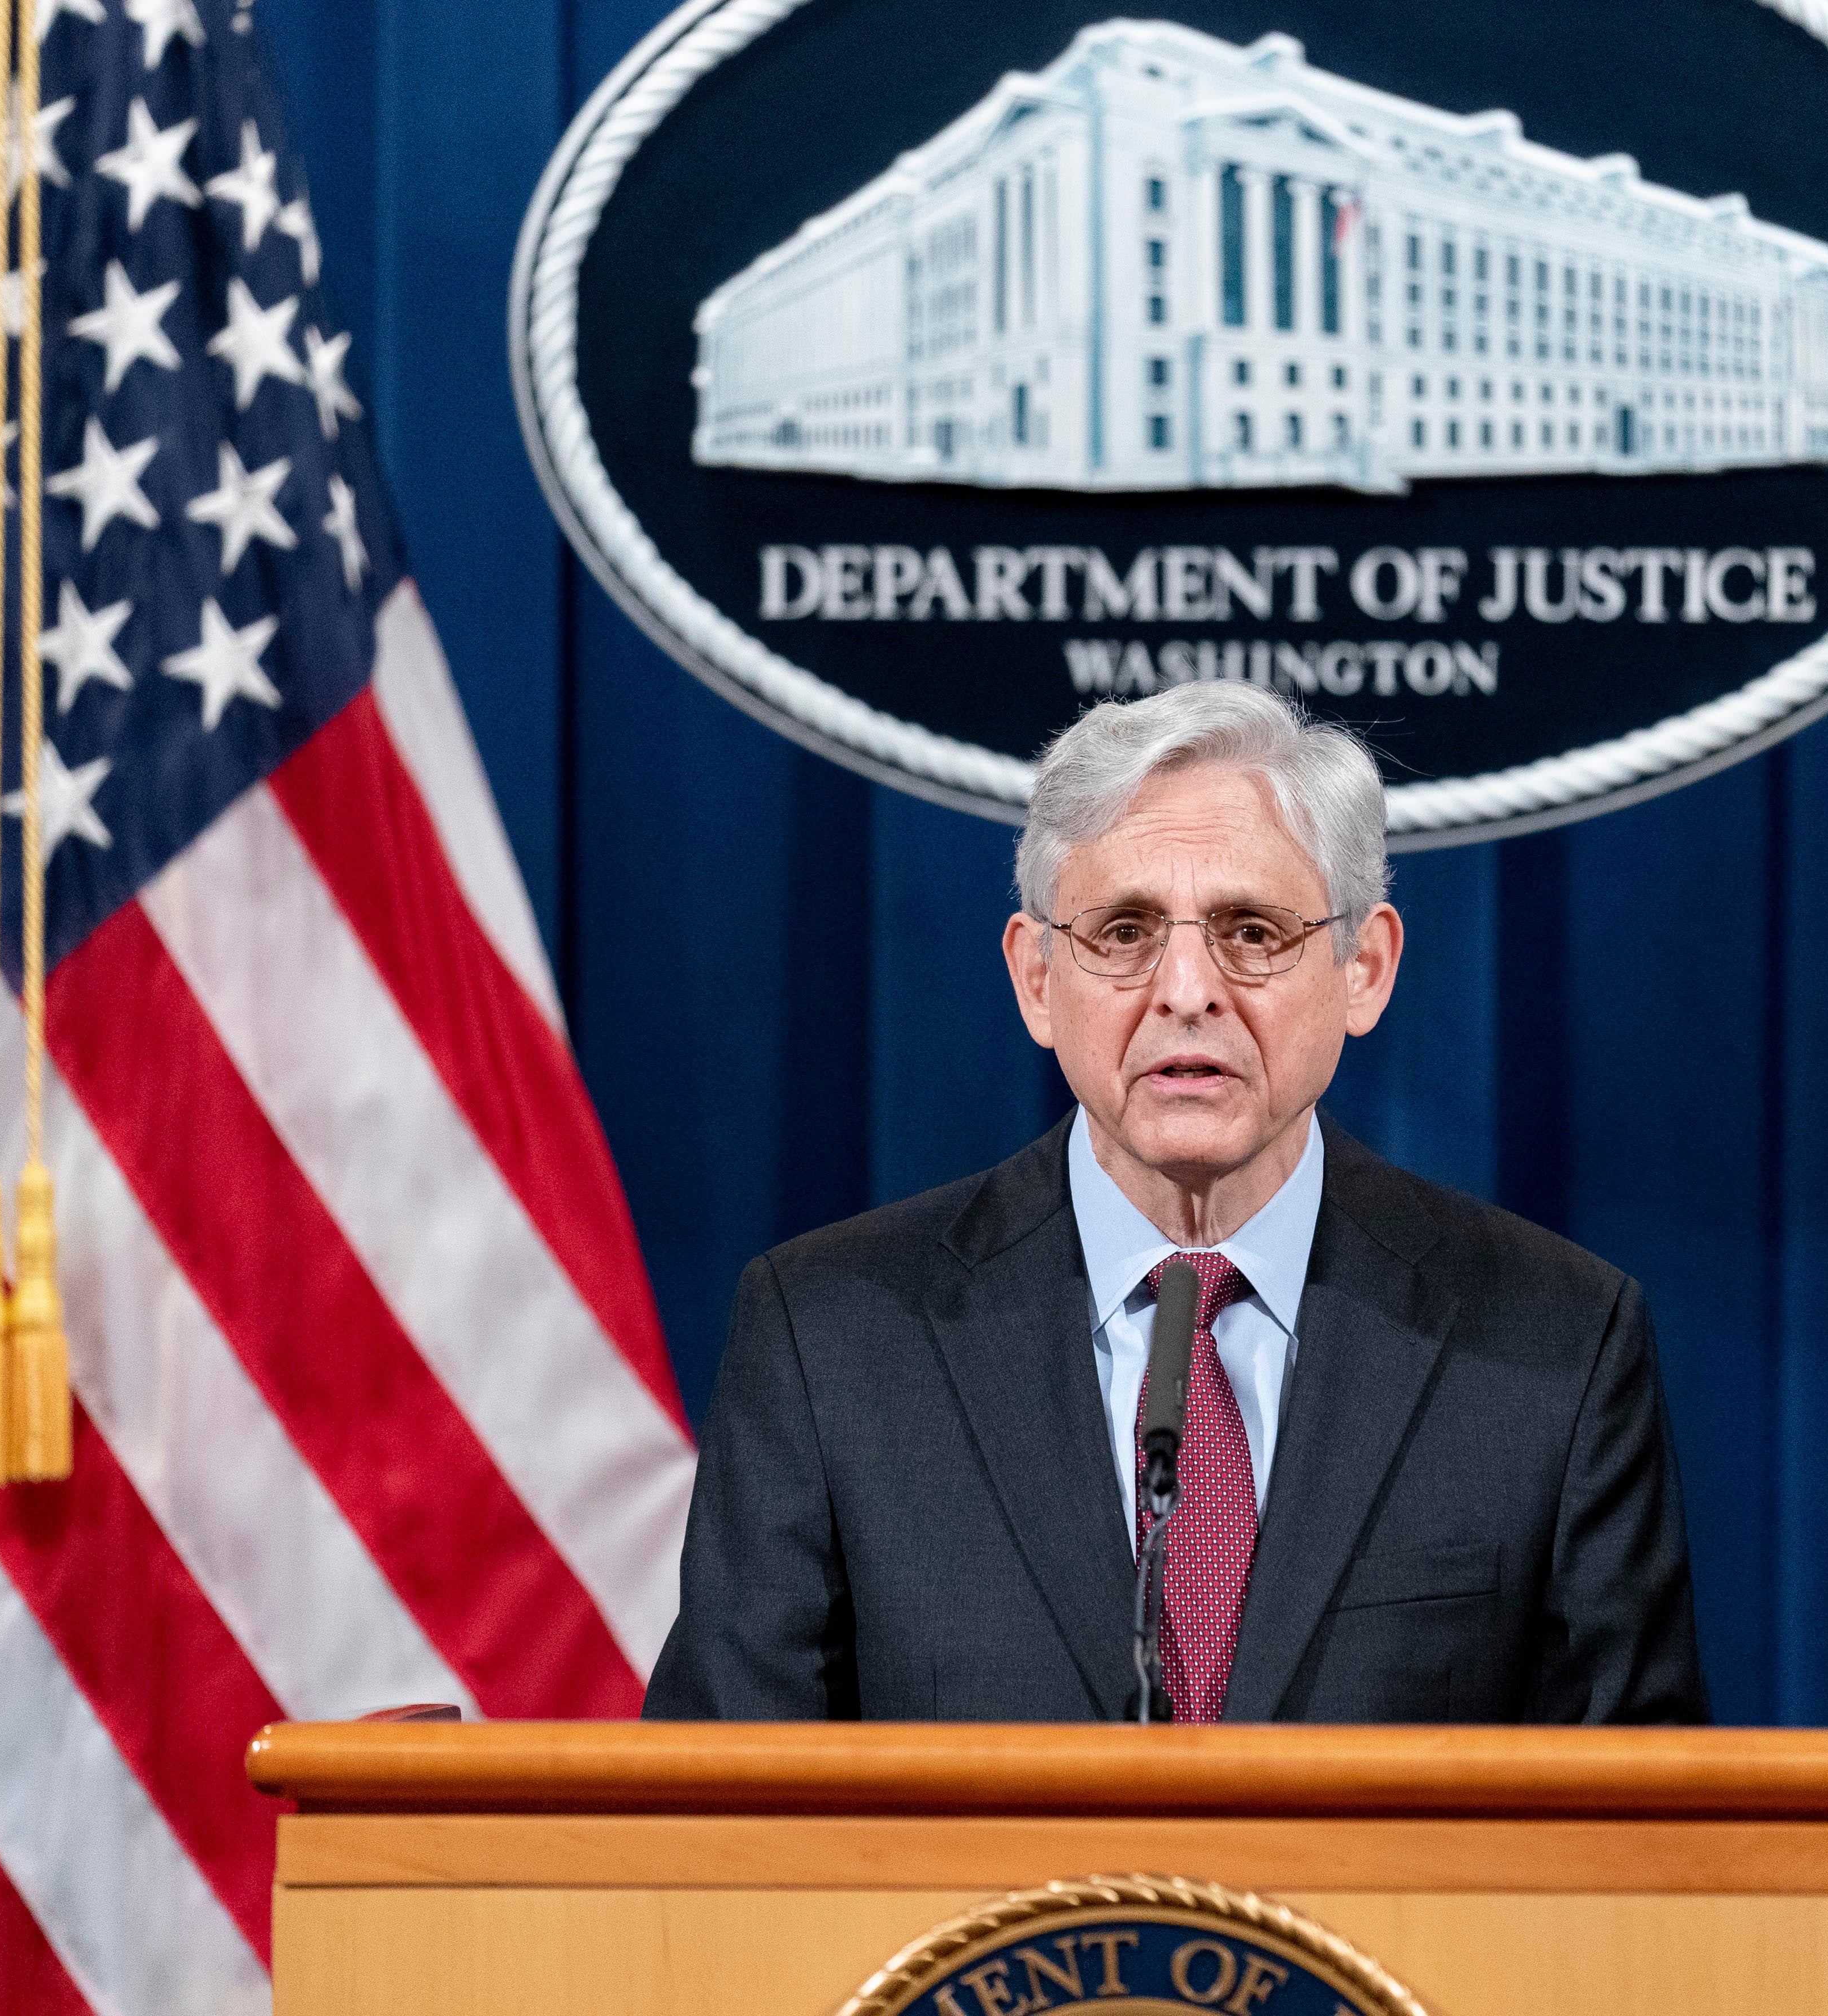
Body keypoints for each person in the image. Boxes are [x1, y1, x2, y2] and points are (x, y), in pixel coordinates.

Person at [644, 681, 1705, 1722]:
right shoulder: (831, 1340)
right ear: (1036, 979)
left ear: (1364, 969)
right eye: (1123, 932)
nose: (1188, 990)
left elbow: (1637, 1856)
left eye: (1251, 931)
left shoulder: (1555, 1347)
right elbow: (719, 1835)